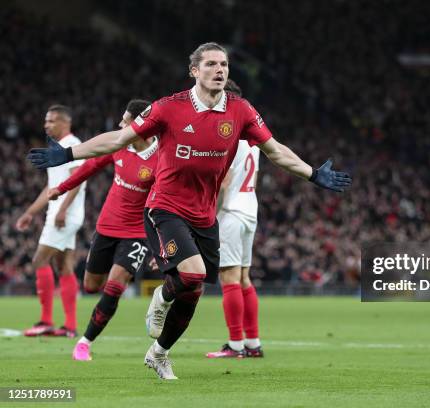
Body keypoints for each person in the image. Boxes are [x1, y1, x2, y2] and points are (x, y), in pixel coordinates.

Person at [27, 42, 352, 380]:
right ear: (194, 71)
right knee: (192, 274)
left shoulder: (240, 110)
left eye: (224, 64)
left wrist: (312, 173)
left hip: (204, 216)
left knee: (195, 290)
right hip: (165, 208)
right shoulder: (169, 108)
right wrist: (69, 154)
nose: (219, 70)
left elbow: (275, 150)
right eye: (211, 64)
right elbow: (119, 139)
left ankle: (160, 353)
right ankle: (161, 300)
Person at [46, 99, 159, 361]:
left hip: (137, 233)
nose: (120, 125)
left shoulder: (160, 158)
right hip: (107, 227)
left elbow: (165, 203)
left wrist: (159, 243)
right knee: (91, 285)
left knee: (115, 286)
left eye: (125, 121)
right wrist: (59, 190)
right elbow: (89, 167)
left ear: (140, 125)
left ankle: (84, 343)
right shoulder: (118, 146)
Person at [205, 79, 263, 359]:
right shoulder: (254, 140)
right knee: (243, 279)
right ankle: (253, 343)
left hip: (230, 213)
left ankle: (235, 344)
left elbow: (225, 182)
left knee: (228, 278)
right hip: (250, 211)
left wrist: (208, 217)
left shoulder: (227, 136)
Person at [17, 105, 85, 338]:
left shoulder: (72, 144)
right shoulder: (58, 148)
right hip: (61, 213)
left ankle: (46, 320)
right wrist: (30, 212)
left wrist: (63, 210)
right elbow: (51, 186)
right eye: (46, 121)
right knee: (64, 266)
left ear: (65, 122)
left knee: (39, 261)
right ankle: (70, 326)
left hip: (64, 215)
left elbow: (78, 179)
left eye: (52, 121)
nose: (46, 125)